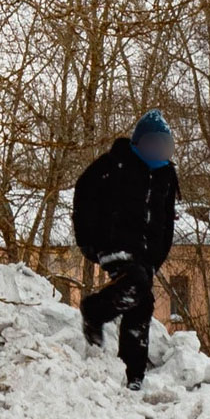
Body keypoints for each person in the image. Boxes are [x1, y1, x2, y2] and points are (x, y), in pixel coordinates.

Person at [72, 110, 180, 391]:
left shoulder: (166, 176)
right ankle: (94, 311)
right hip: (113, 243)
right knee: (135, 284)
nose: (159, 150)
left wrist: (158, 255)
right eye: (153, 143)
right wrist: (88, 239)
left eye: (164, 145)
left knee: (142, 303)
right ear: (140, 143)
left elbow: (166, 220)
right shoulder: (115, 165)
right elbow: (84, 195)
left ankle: (133, 377)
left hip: (146, 254)